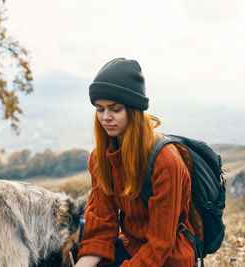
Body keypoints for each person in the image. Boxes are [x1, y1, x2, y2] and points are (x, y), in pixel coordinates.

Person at [75, 58, 196, 267]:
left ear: (133, 110)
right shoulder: (101, 158)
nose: (106, 117)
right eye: (100, 109)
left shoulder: (165, 161)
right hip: (132, 249)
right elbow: (101, 227)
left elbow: (160, 245)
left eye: (115, 109)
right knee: (74, 236)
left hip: (170, 259)